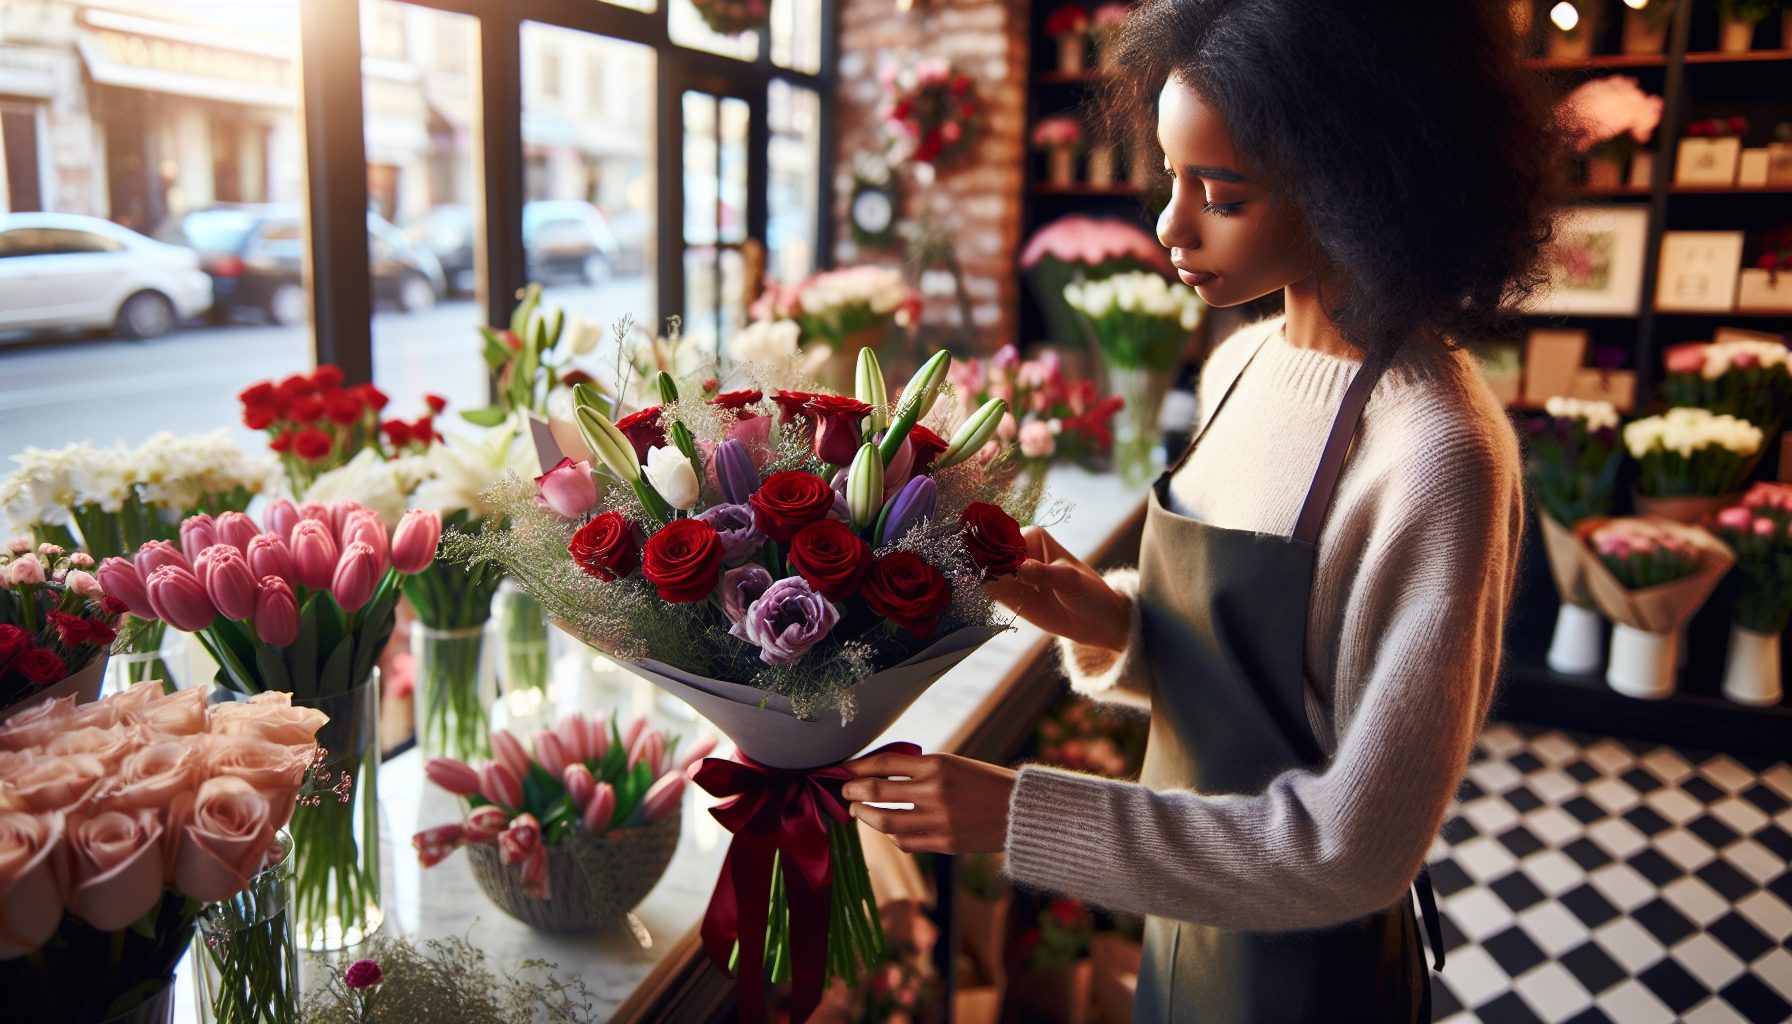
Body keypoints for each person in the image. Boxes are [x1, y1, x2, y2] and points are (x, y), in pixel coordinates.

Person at [840, 2, 1564, 1019]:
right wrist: (1115, 621)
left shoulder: (1434, 454)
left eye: (1219, 193)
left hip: (1304, 974)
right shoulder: (1240, 360)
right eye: (1170, 180)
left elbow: (1353, 849)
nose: (1170, 227)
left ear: (1354, 186)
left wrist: (1016, 813)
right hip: (1190, 915)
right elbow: (1262, 685)